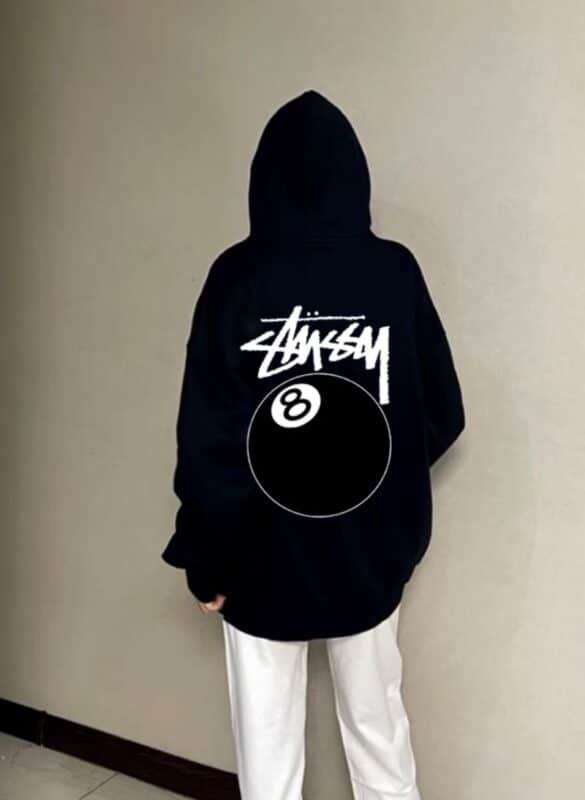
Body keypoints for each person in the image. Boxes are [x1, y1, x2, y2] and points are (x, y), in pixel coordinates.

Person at [161, 90, 465, 800]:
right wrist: (374, 484)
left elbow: (208, 438)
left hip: (257, 554)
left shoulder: (235, 277)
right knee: (380, 733)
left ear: (262, 180)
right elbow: (440, 410)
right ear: (353, 176)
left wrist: (206, 560)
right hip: (368, 550)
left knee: (266, 755)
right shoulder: (393, 272)